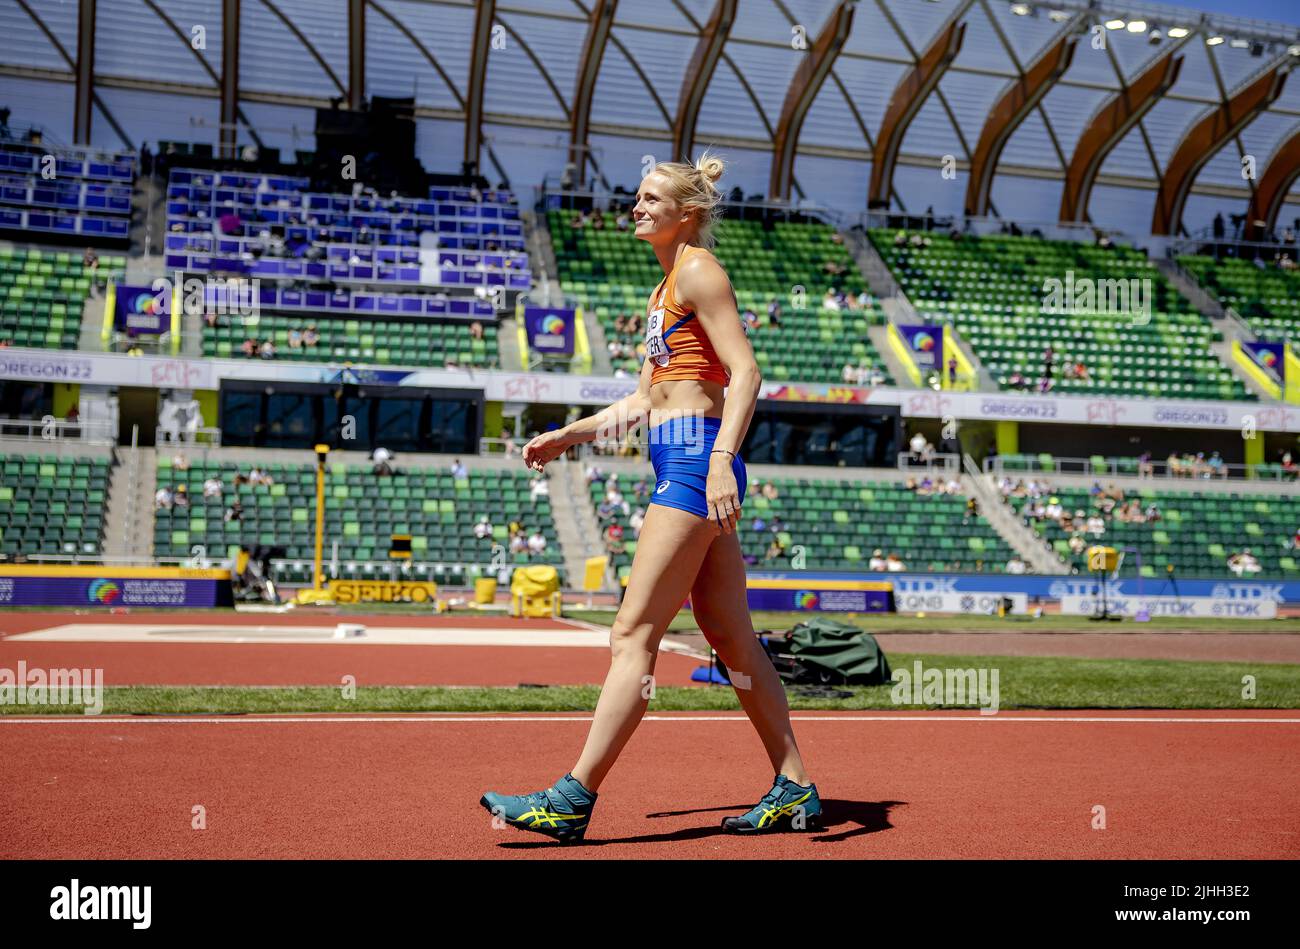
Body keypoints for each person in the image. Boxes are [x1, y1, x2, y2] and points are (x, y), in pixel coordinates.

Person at [484, 151, 819, 842]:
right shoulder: (663, 288)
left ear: (685, 214)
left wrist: (722, 458)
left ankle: (570, 799)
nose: (635, 207)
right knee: (730, 637)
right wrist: (567, 434)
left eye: (649, 199)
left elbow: (748, 373)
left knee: (633, 632)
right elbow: (642, 398)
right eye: (636, 198)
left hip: (698, 458)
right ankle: (794, 786)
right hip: (681, 454)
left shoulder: (699, 270)